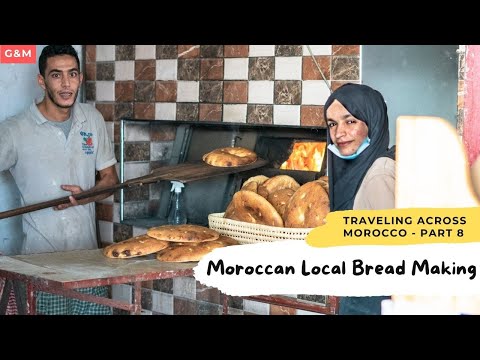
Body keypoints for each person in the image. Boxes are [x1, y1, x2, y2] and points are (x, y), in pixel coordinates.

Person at [0, 45, 119, 315]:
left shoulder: (92, 119)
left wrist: (88, 194)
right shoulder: (14, 130)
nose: (66, 84)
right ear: (41, 81)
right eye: (56, 75)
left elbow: (110, 179)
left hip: (89, 266)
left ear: (80, 78)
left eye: (72, 74)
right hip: (40, 269)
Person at [324, 83, 395, 315]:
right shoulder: (354, 170)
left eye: (350, 121)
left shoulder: (379, 173)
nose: (338, 133)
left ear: (371, 122)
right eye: (332, 124)